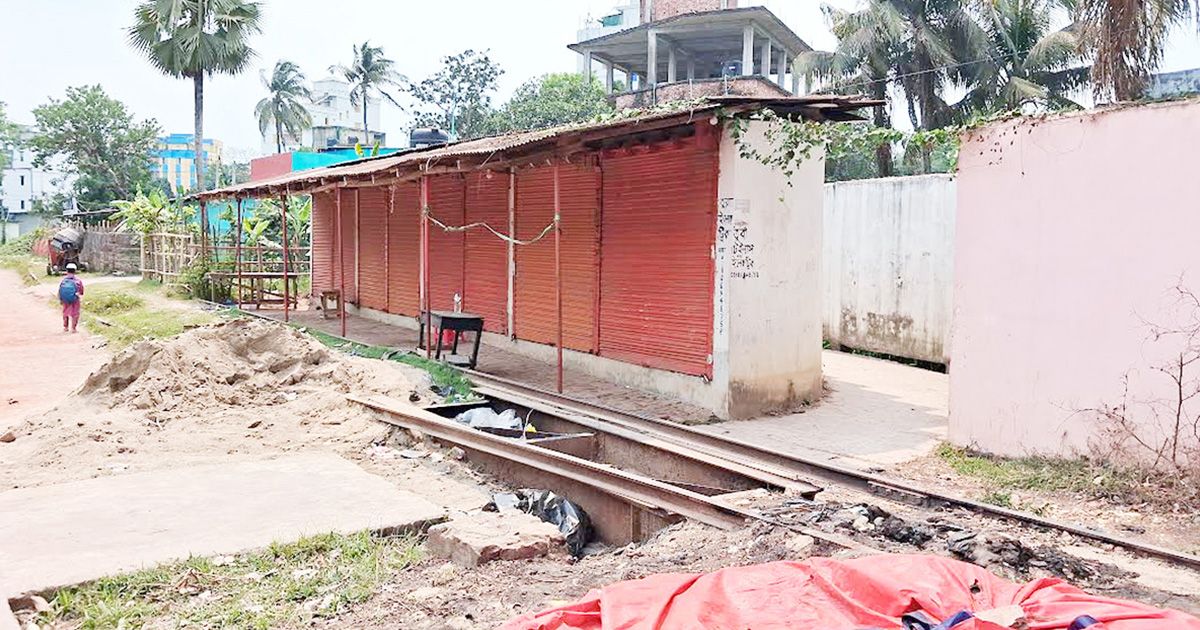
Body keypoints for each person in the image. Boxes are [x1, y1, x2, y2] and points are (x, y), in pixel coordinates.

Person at [58, 263, 84, 333]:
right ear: (75, 271)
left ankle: (65, 327)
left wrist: (61, 299)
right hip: (75, 299)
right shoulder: (78, 280)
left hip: (66, 300)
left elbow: (60, 290)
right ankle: (73, 328)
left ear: (67, 271)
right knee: (75, 313)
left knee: (65, 312)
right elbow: (81, 291)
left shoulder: (63, 280)